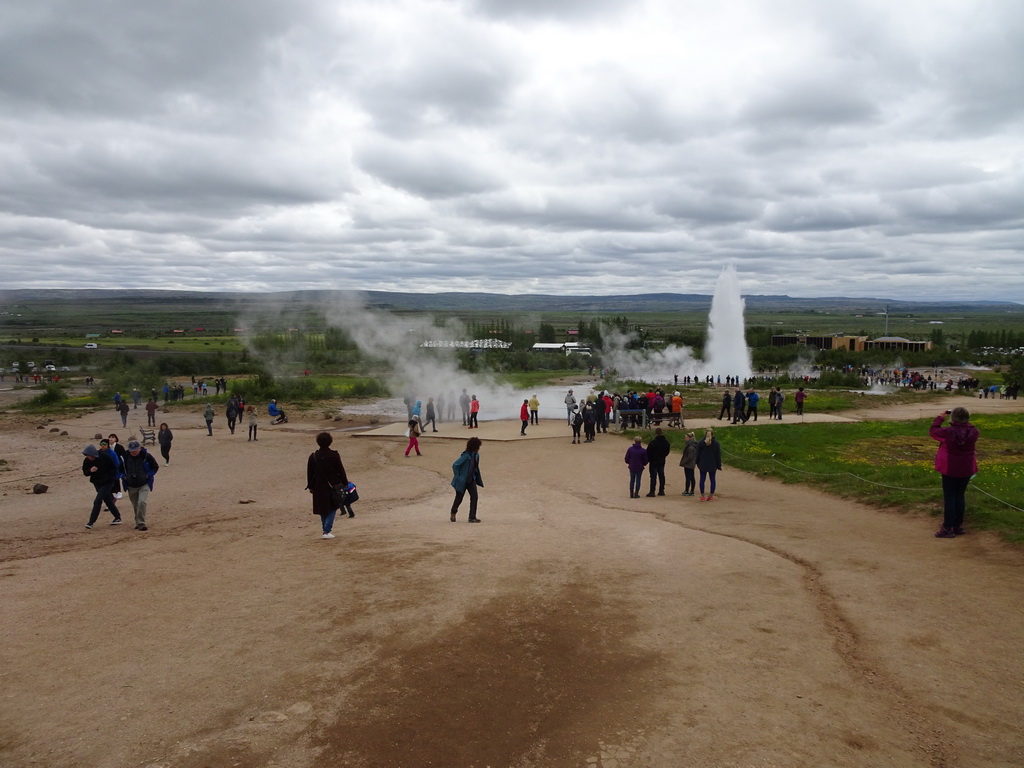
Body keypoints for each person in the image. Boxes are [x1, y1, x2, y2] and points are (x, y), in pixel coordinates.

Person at [930, 407, 979, 538]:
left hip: (950, 468)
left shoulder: (948, 432)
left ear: (953, 418)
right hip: (967, 467)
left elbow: (933, 431)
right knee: (959, 495)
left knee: (950, 497)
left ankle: (947, 528)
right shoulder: (974, 432)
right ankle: (958, 526)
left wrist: (940, 418)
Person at [306, 431, 351, 539]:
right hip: (333, 485)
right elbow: (341, 470)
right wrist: (345, 483)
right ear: (330, 442)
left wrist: (311, 487)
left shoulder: (313, 456)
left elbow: (310, 473)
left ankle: (325, 530)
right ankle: (326, 530)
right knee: (333, 507)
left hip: (318, 486)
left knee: (323, 508)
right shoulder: (334, 455)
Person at [122, 439, 159, 531]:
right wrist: (123, 476)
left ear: (139, 449)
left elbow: (155, 466)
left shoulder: (146, 456)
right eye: (131, 450)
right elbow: (119, 469)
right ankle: (138, 521)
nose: (133, 452)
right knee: (135, 505)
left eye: (135, 450)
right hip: (131, 485)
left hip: (144, 484)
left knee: (142, 502)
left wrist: (148, 475)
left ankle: (141, 523)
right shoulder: (125, 457)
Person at [81, 444, 121, 528]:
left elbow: (114, 468)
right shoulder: (87, 460)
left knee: (97, 500)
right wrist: (90, 470)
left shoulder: (105, 456)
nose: (90, 458)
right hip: (97, 483)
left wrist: (110, 477)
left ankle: (91, 522)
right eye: (88, 456)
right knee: (108, 500)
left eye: (91, 456)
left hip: (108, 482)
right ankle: (118, 517)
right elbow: (85, 472)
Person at [450, 436, 483, 522]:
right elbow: (455, 465)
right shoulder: (466, 456)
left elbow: (475, 467)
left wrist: (475, 477)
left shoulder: (476, 455)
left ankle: (472, 517)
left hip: (471, 479)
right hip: (462, 480)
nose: (479, 448)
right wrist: (458, 476)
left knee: (474, 497)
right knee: (459, 498)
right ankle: (453, 512)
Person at [695, 428, 722, 501]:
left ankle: (702, 496)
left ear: (705, 434)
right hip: (712, 464)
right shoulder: (716, 444)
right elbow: (718, 456)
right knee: (712, 479)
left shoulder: (701, 443)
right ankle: (711, 496)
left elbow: (698, 454)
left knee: (702, 479)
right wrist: (719, 465)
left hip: (703, 463)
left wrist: (696, 462)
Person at [646, 427, 671, 496]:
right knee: (661, 475)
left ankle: (652, 491)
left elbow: (648, 452)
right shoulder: (666, 442)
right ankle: (661, 490)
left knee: (653, 476)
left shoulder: (653, 443)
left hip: (653, 461)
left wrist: (649, 459)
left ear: (656, 433)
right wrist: (663, 456)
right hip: (662, 460)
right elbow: (667, 452)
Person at [107, 434, 127, 499]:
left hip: (118, 465)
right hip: (110, 466)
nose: (111, 439)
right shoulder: (107, 447)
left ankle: (119, 491)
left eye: (112, 437)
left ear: (116, 439)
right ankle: (113, 491)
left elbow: (124, 456)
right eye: (109, 437)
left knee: (117, 478)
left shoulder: (119, 447)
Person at [679, 432, 697, 496]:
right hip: (691, 464)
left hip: (689, 464)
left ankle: (688, 490)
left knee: (689, 477)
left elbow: (690, 457)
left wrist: (684, 462)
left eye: (686, 438)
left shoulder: (690, 447)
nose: (685, 439)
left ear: (689, 438)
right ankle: (691, 490)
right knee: (691, 477)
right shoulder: (691, 446)